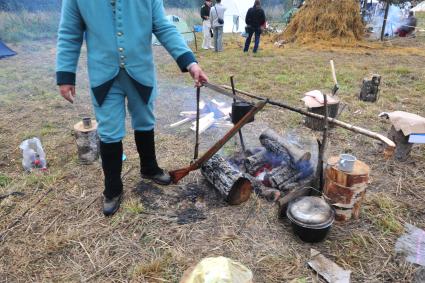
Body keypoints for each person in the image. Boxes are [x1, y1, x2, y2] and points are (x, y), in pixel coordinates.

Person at [56, 0, 208, 216]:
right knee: (109, 131)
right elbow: (69, 33)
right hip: (103, 75)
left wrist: (190, 62)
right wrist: (65, 74)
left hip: (141, 72)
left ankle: (149, 168)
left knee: (145, 121)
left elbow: (164, 27)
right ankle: (113, 188)